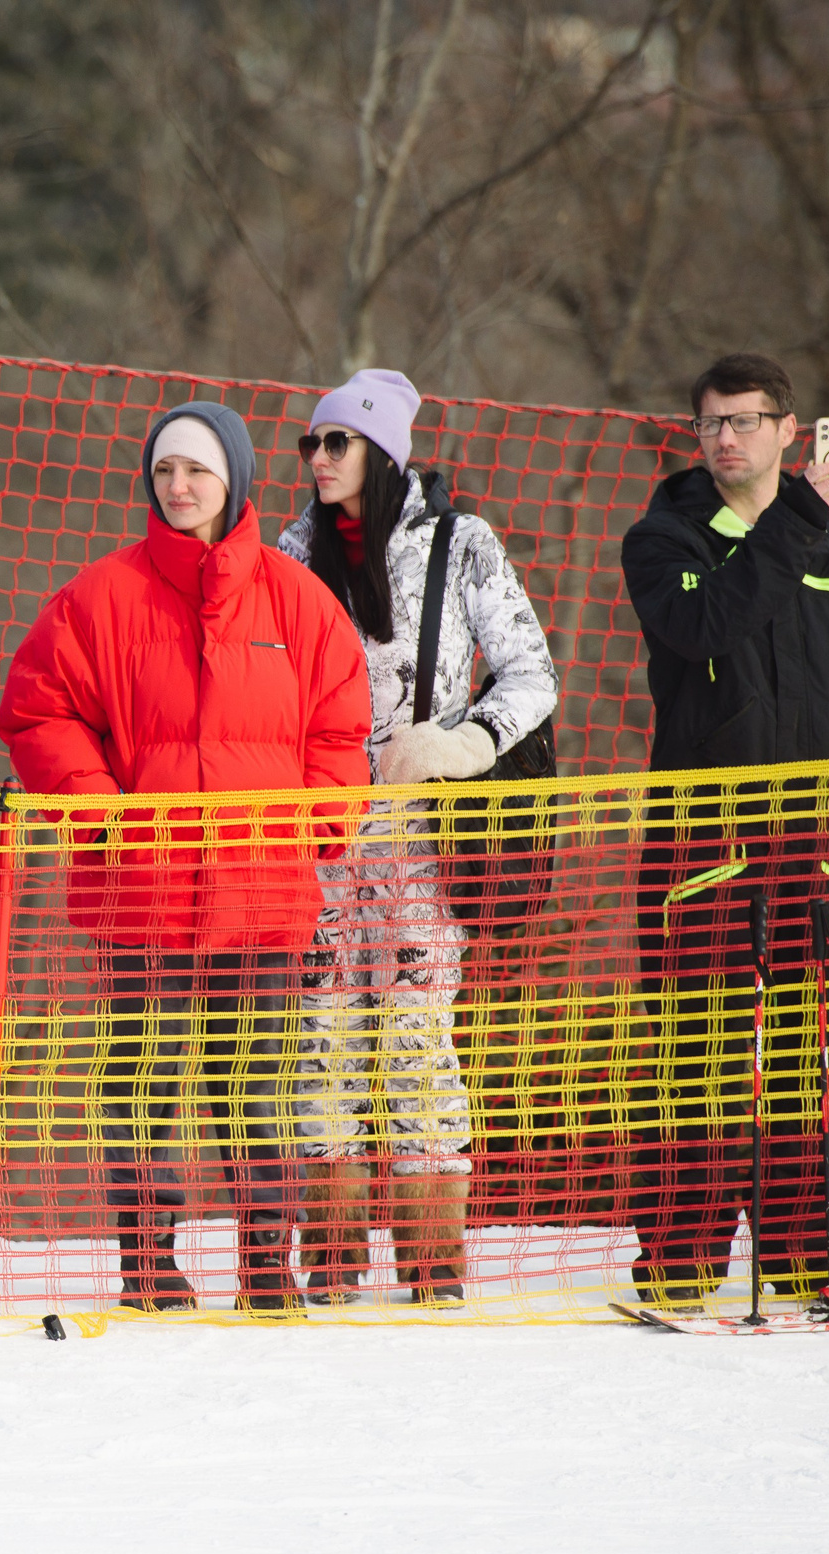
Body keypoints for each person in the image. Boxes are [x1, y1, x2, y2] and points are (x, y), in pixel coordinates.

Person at [0, 402, 372, 1313]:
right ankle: (149, 1264)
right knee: (143, 1089)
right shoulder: (99, 596)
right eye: (165, 470)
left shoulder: (296, 596)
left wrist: (317, 825)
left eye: (197, 470)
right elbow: (36, 711)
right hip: (143, 899)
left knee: (259, 1091)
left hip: (262, 894)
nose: (179, 487)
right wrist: (100, 813)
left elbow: (341, 723)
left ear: (234, 478)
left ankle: (263, 1267)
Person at [621, 351, 829, 1310]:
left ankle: (804, 1244)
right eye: (710, 422)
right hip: (705, 843)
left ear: (791, 429)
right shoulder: (664, 537)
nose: (725, 437)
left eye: (744, 419)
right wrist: (800, 520)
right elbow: (710, 627)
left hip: (814, 840)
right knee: (693, 1051)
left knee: (808, 1056)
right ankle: (681, 1256)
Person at [277, 369, 558, 1306]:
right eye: (311, 444)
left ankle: (435, 1258)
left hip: (426, 828)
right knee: (321, 1036)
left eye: (337, 443)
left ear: (385, 452)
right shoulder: (291, 549)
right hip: (317, 829)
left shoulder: (459, 543)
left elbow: (532, 673)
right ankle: (334, 1251)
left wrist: (459, 739)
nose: (318, 460)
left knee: (414, 1038)